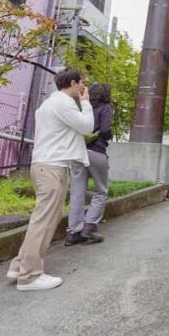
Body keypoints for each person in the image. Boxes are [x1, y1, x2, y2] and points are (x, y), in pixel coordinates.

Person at [6, 68, 94, 291]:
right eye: (82, 82)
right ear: (73, 83)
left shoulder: (49, 103)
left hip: (44, 165)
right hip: (52, 167)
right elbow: (87, 127)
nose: (84, 86)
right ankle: (30, 276)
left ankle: (19, 266)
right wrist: (86, 103)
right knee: (44, 221)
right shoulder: (63, 103)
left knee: (40, 219)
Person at [65, 83, 114, 246]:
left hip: (78, 152)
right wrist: (106, 135)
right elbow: (106, 130)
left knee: (77, 192)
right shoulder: (105, 107)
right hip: (97, 152)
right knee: (101, 190)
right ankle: (90, 226)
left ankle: (73, 232)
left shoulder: (82, 106)